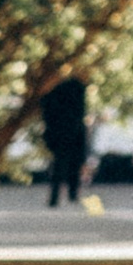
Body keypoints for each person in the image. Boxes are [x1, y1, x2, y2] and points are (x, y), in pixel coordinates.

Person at [39, 76, 91, 210]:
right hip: (70, 130)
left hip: (59, 130)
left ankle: (58, 196)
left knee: (61, 163)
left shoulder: (52, 89)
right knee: (71, 163)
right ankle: (69, 194)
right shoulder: (75, 86)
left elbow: (45, 109)